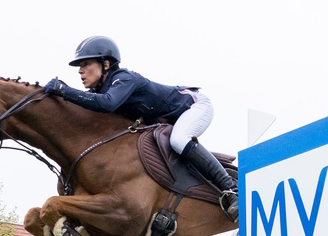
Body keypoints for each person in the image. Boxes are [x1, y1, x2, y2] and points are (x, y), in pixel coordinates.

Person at [43, 36, 237, 222]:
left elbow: (107, 104)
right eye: (80, 66)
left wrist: (64, 90)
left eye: (86, 64)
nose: (80, 71)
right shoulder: (99, 91)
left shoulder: (124, 78)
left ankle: (231, 190)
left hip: (195, 106)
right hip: (168, 120)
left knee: (179, 140)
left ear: (106, 64)